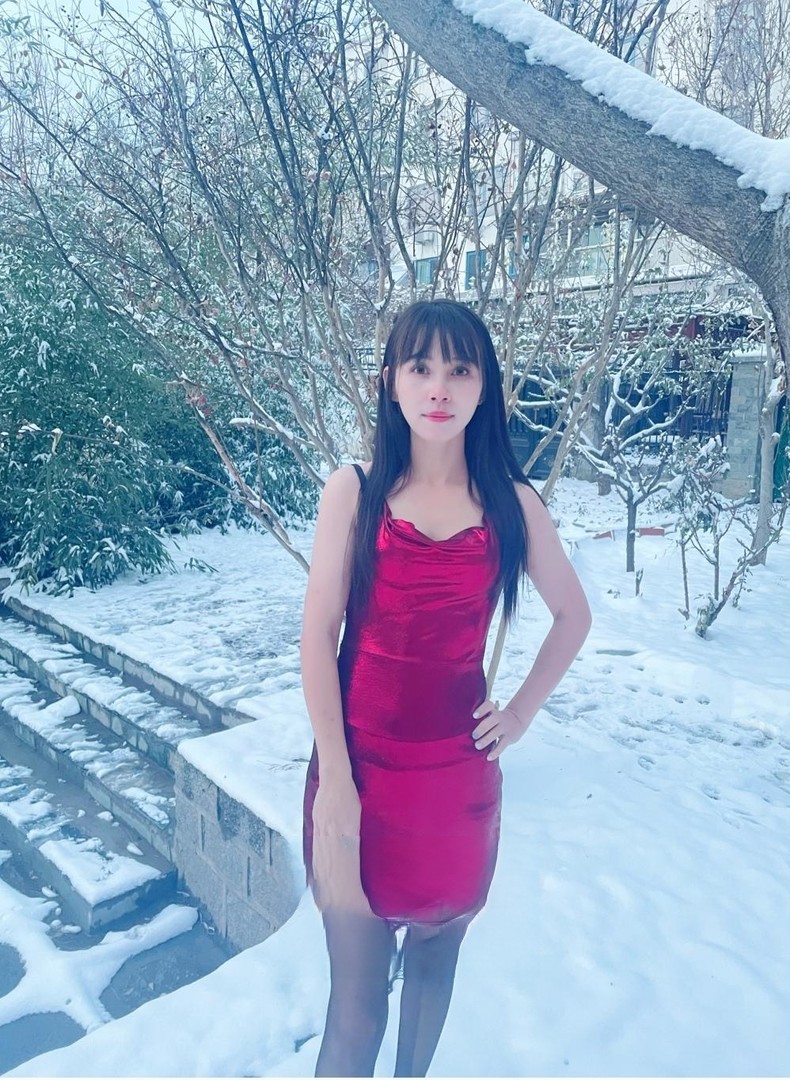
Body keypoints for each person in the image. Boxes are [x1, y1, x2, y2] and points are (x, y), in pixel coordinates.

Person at [300, 298, 592, 1077]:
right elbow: (317, 638)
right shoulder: (354, 492)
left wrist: (520, 713)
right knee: (355, 1010)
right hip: (357, 778)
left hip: (457, 789)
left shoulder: (511, 504)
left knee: (433, 971)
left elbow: (574, 615)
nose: (439, 387)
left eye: (460, 369)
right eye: (420, 366)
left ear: (484, 385)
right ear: (389, 381)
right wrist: (336, 780)